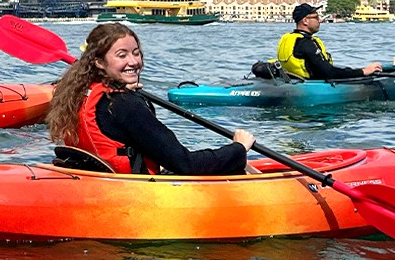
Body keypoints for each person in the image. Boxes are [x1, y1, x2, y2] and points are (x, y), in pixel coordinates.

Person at [45, 22, 255, 175]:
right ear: (99, 62)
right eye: (122, 55)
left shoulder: (81, 92)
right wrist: (238, 148)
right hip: (132, 191)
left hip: (99, 180)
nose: (134, 61)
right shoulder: (125, 106)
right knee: (240, 165)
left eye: (136, 53)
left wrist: (125, 90)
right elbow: (186, 164)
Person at [277, 3, 385, 80]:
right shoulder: (306, 44)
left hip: (295, 81)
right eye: (316, 17)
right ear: (305, 21)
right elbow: (329, 72)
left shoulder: (289, 38)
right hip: (313, 86)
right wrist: (364, 71)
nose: (319, 20)